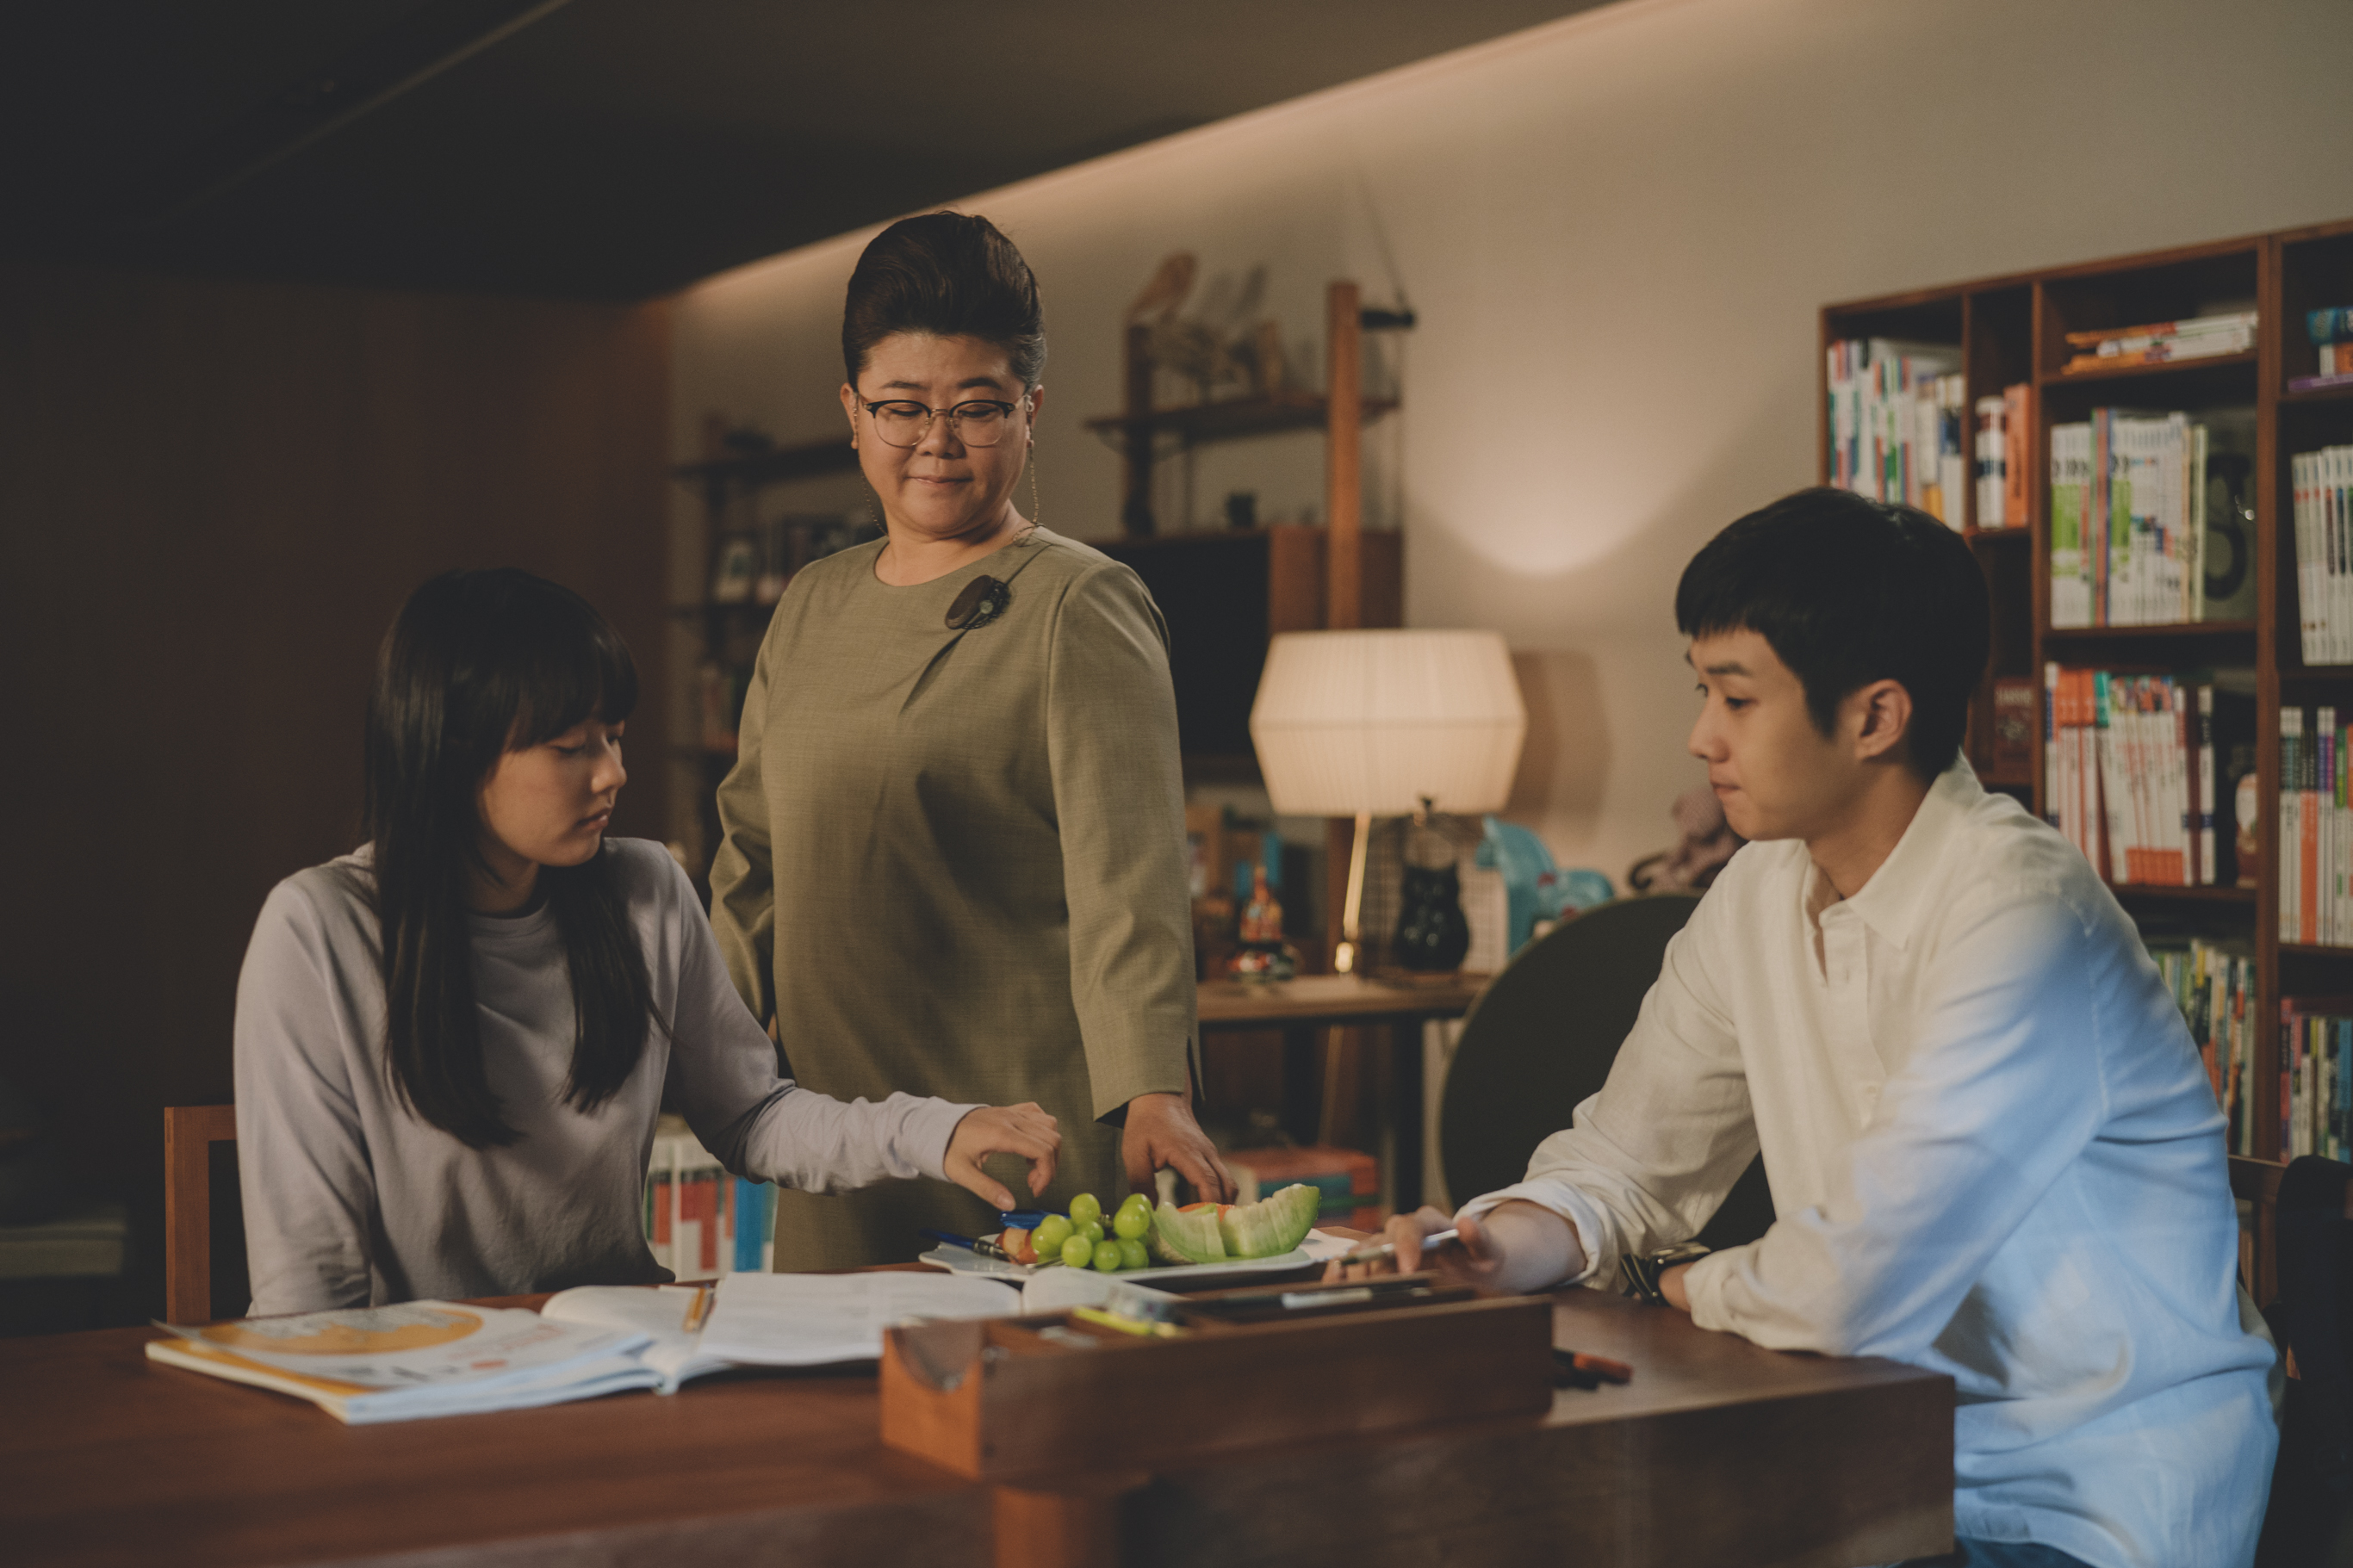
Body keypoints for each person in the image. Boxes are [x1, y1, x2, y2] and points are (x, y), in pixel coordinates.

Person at [1349, 488, 2278, 1568]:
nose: (1700, 739)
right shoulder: (1759, 890)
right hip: (1864, 1457)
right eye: (1700, 690)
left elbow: (1854, 1283)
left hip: (2080, 1497)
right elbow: (1627, 1162)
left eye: (1735, 700)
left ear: (1874, 717)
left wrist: (1684, 1279)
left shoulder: (2022, 916)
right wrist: (1499, 1243)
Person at [235, 568, 1060, 1314]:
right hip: (427, 1384)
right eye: (570, 747)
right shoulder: (320, 931)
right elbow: (308, 1287)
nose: (612, 773)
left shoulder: (645, 890)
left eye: (615, 736)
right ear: (453, 756)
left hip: (624, 1348)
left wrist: (932, 1130)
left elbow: (753, 1114)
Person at [708, 211, 1229, 1271]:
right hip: (838, 1136)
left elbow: (1127, 883)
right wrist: (694, 1055)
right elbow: (748, 863)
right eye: (900, 408)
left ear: (1031, 412)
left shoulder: (1078, 605)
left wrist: (1154, 1094)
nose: (935, 442)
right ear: (851, 412)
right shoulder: (809, 604)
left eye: (978, 408)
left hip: (1022, 1143)